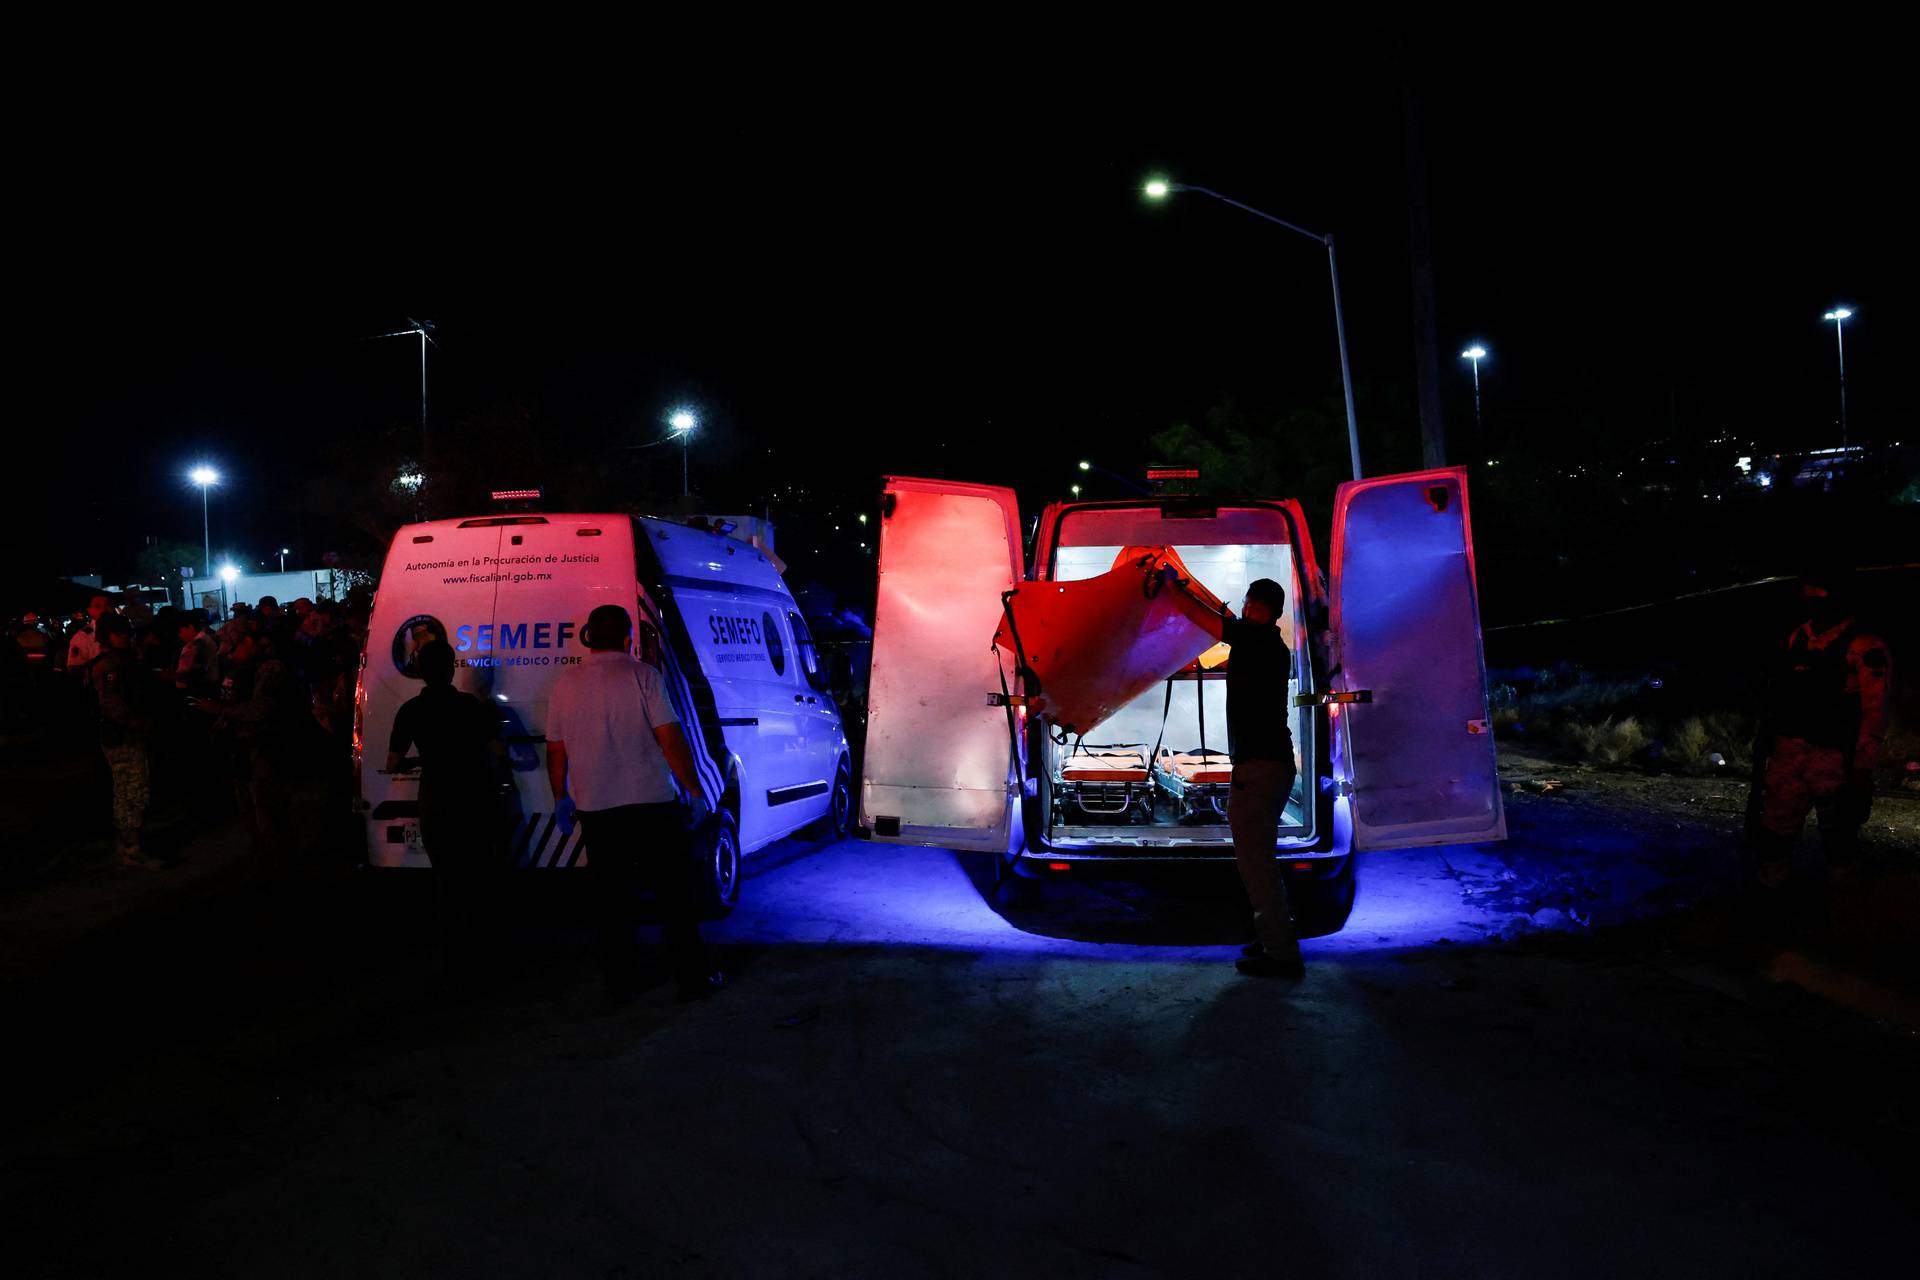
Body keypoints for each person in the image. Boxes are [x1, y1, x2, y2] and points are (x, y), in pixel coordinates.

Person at [546, 603, 721, 1003]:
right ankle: (691, 978)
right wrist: (693, 790)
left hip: (597, 809)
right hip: (652, 804)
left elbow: (555, 749)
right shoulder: (645, 677)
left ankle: (620, 983)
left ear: (588, 637)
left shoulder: (565, 684)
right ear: (629, 637)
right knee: (673, 897)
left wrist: (561, 797)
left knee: (611, 902)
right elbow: (670, 738)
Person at [1748, 568, 1893, 894]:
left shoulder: (1865, 646)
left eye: (1823, 599)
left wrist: (1862, 769)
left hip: (1833, 759)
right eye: (1811, 599)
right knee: (1774, 836)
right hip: (1788, 753)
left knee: (1839, 840)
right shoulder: (1798, 637)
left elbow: (1875, 713)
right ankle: (1771, 905)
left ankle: (1846, 914)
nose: (1816, 607)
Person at [386, 640, 507, 979]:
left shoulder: (410, 710)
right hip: (473, 796)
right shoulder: (471, 706)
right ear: (451, 668)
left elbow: (393, 761)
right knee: (478, 874)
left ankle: (453, 957)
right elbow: (497, 750)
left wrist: (423, 759)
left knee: (446, 878)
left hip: (437, 800)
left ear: (421, 672)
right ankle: (485, 952)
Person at [1217, 578, 1305, 979]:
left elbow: (1217, 625)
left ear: (1260, 608)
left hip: (1260, 767)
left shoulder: (1260, 643)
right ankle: (1271, 937)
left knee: (1256, 864)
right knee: (1260, 861)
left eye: (1250, 603)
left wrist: (1170, 585)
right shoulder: (1267, 645)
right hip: (1268, 766)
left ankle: (1281, 954)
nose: (1246, 608)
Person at [90, 613, 166, 870]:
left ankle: (128, 846)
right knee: (132, 790)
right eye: (119, 633)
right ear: (107, 635)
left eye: (126, 632)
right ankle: (131, 850)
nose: (125, 636)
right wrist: (142, 724)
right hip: (122, 736)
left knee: (130, 789)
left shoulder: (123, 660)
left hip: (128, 733)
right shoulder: (109, 665)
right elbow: (111, 705)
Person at [65, 594, 112, 676]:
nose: (104, 609)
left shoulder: (121, 630)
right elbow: (74, 669)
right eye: (97, 606)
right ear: (90, 611)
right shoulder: (82, 636)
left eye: (108, 605)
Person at [175, 610, 218, 693]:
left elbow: (198, 671)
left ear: (190, 627)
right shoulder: (199, 641)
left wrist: (176, 675)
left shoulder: (200, 643)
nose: (179, 635)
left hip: (200, 690)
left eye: (180, 631)